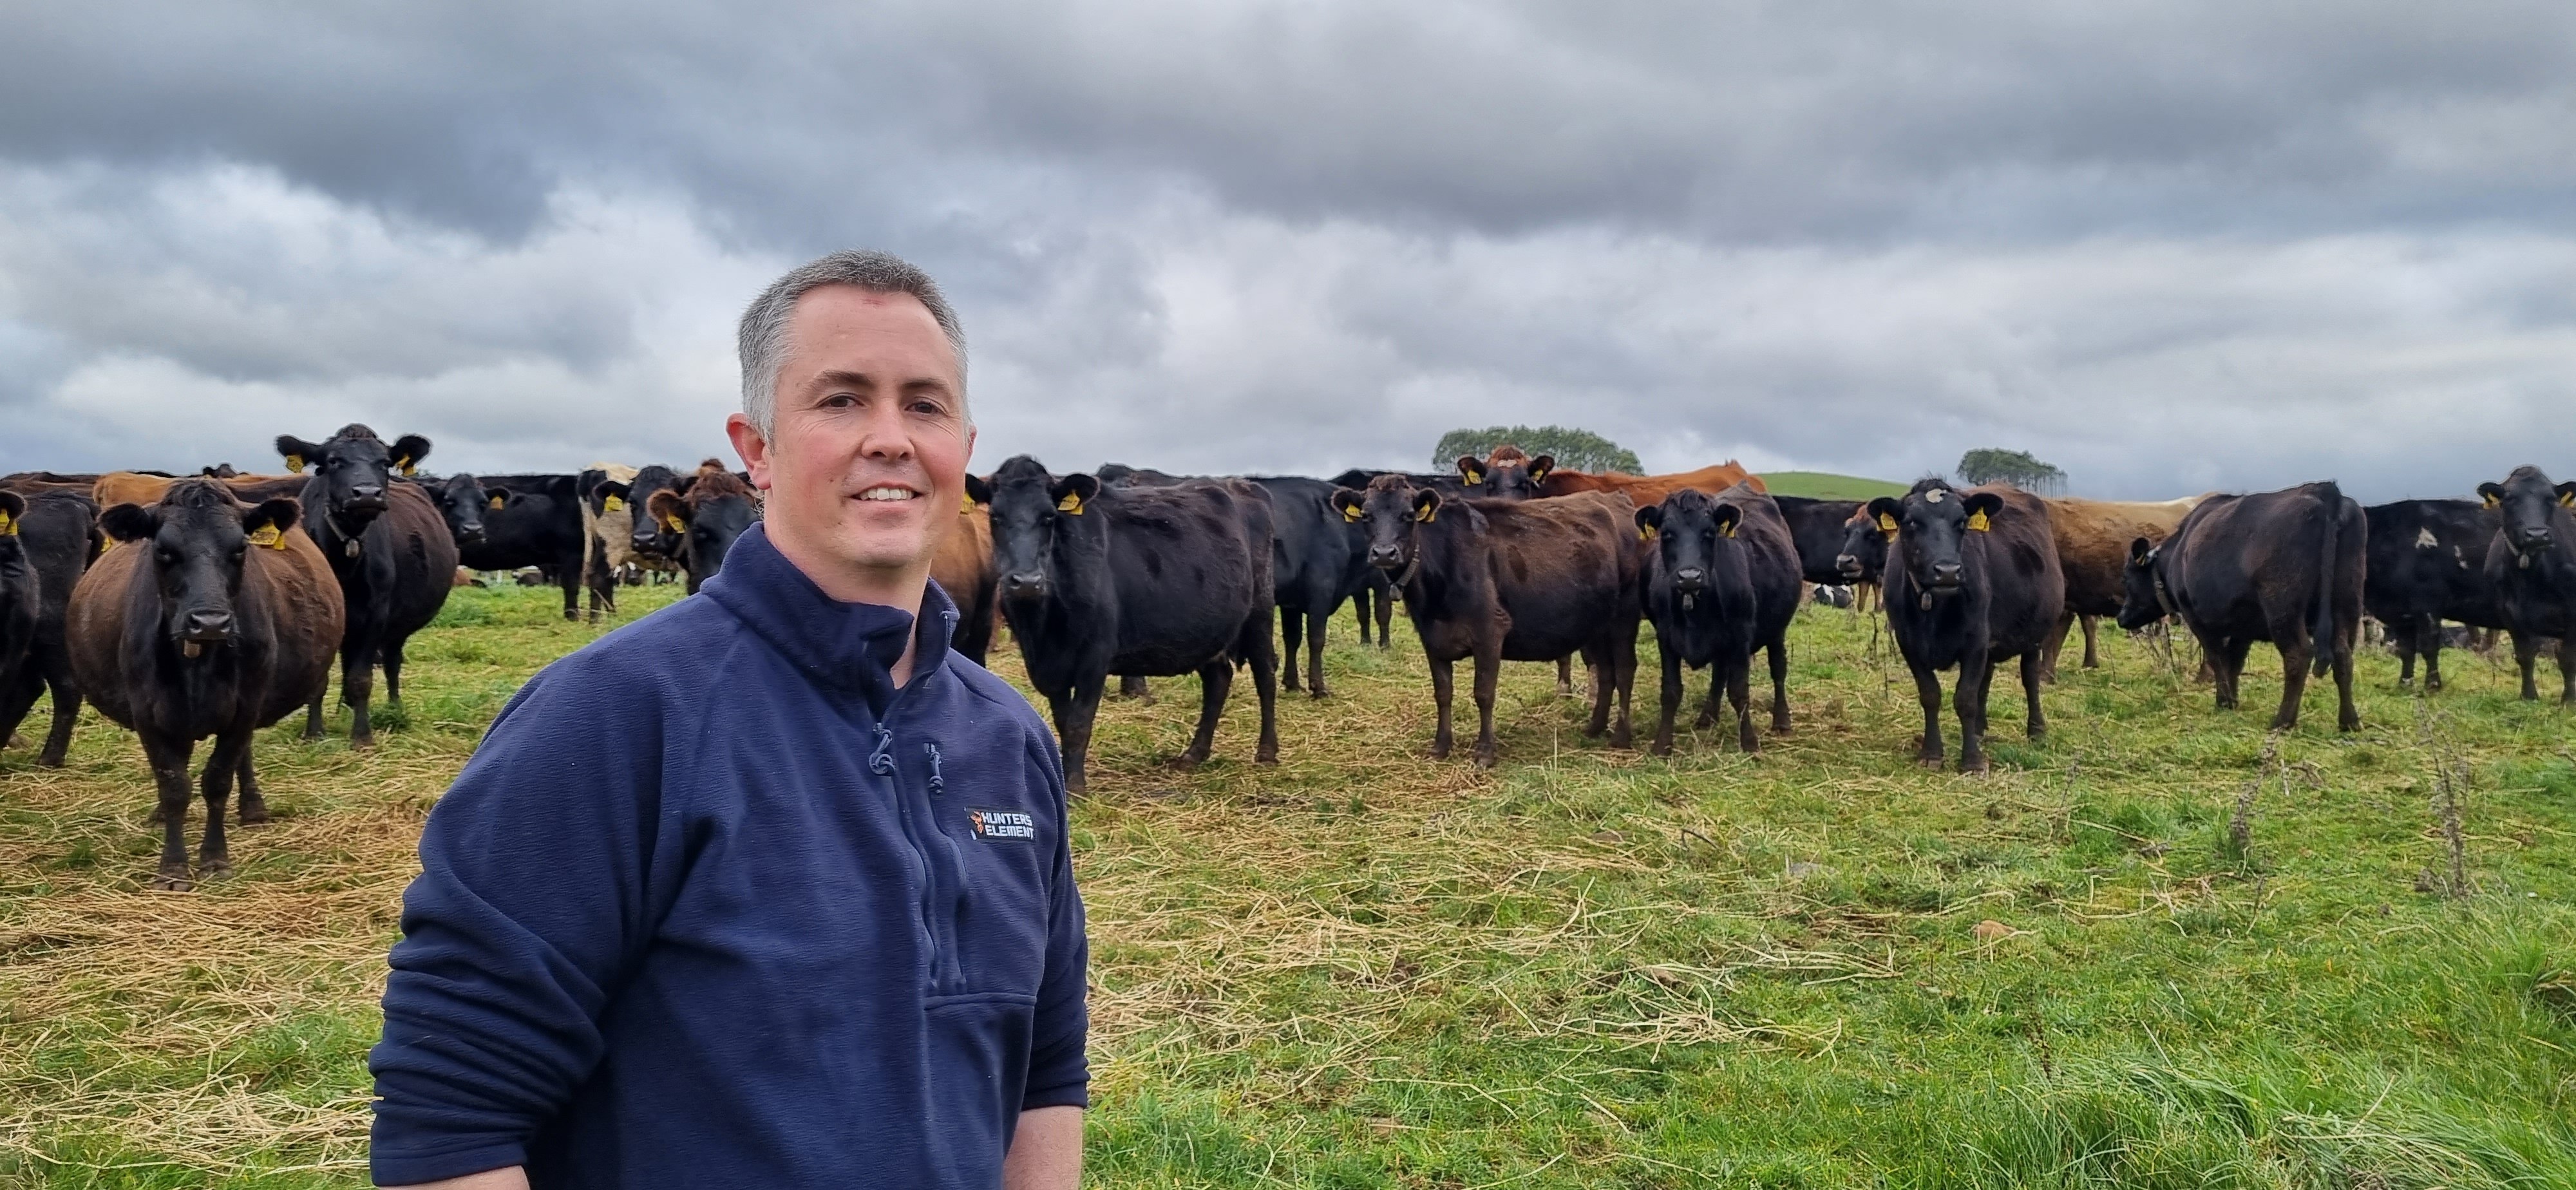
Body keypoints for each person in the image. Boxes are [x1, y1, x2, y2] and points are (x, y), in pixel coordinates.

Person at [368, 250, 1088, 1189]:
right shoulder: (612, 717)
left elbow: (1045, 1062)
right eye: (839, 400)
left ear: (965, 443)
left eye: (924, 404)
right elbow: (450, 1116)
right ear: (757, 449)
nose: (891, 438)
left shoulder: (1009, 737)